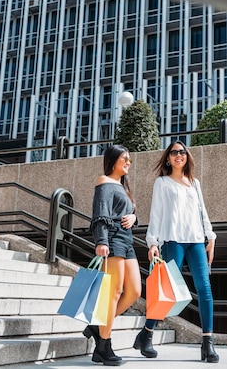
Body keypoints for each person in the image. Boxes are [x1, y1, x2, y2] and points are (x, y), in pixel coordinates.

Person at [133, 140, 219, 363]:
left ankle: (207, 343)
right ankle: (147, 333)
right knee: (167, 290)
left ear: (187, 156)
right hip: (173, 241)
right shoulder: (162, 183)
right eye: (174, 152)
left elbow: (202, 211)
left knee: (204, 288)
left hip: (196, 241)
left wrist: (211, 237)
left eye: (182, 152)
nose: (179, 155)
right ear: (168, 158)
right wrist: (152, 242)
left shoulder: (194, 183)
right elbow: (157, 214)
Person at [84, 144, 141, 366]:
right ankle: (103, 347)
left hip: (127, 241)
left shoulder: (122, 185)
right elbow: (100, 213)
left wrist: (134, 217)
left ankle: (98, 327)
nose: (128, 162)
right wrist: (101, 241)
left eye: (129, 159)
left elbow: (129, 212)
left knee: (134, 291)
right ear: (113, 160)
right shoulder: (104, 182)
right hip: (113, 239)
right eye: (124, 159)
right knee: (114, 292)